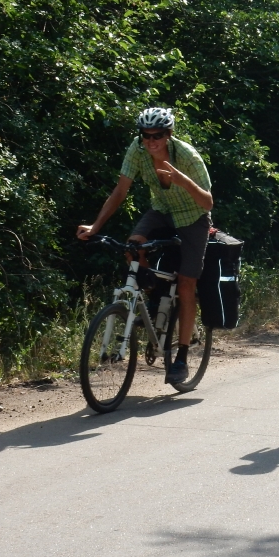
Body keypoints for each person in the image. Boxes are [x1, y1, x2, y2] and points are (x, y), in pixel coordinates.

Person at [77, 107, 213, 383]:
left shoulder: (187, 155)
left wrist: (183, 181)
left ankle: (181, 357)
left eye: (157, 135)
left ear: (168, 134)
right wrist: (95, 227)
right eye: (146, 135)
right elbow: (120, 191)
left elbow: (207, 202)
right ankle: (154, 299)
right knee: (132, 248)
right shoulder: (137, 150)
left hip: (192, 218)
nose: (151, 141)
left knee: (186, 283)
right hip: (161, 211)